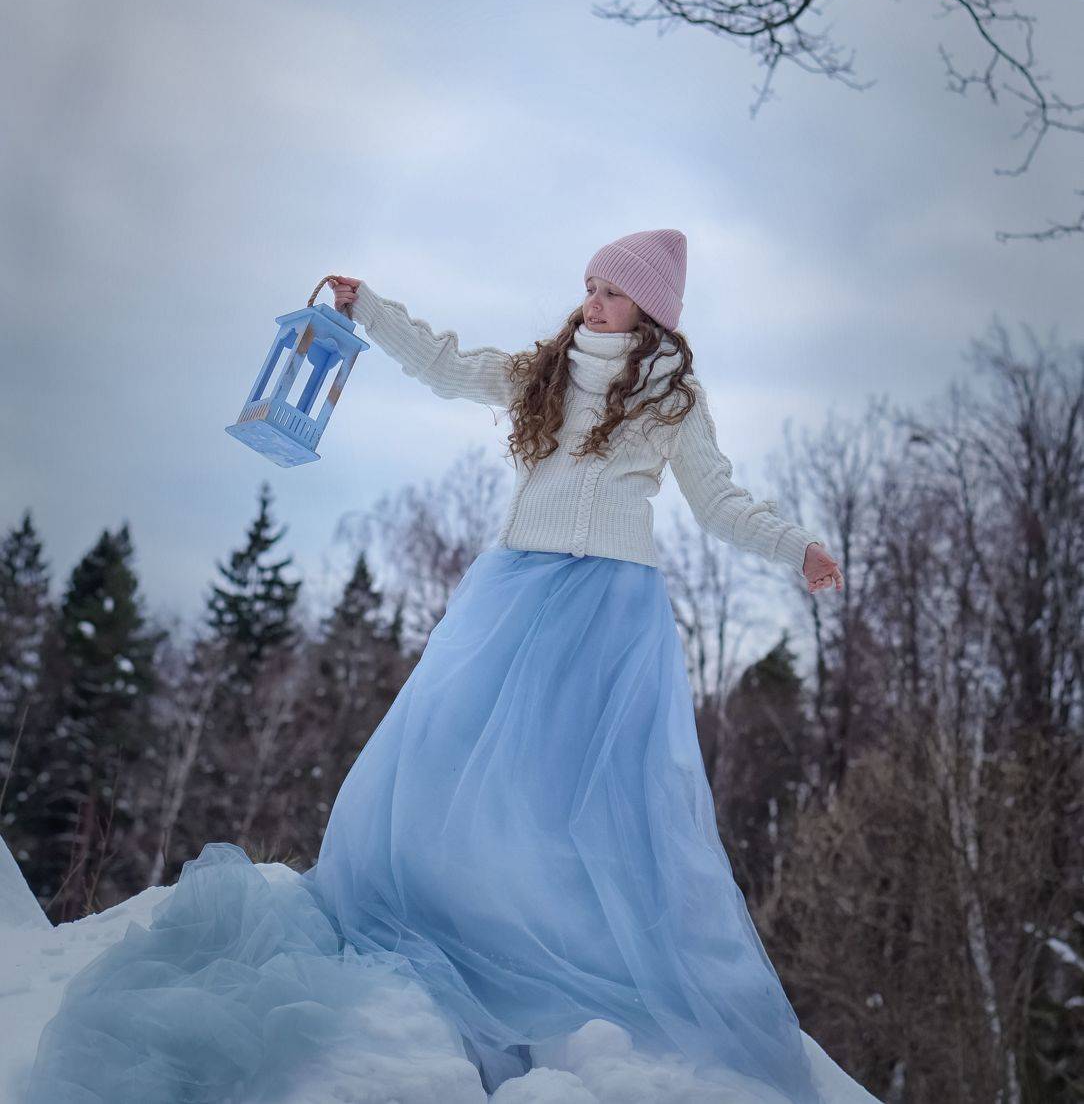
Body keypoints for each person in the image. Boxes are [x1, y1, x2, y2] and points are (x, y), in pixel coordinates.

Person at [24, 228, 852, 1104]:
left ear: (650, 310)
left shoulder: (673, 397)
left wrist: (795, 546)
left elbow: (717, 499)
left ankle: (579, 949)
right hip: (518, 591)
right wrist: (371, 310)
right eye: (589, 285)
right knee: (441, 748)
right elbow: (448, 367)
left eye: (611, 292)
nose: (592, 302)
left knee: (587, 790)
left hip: (611, 612)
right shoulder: (546, 370)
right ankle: (447, 913)